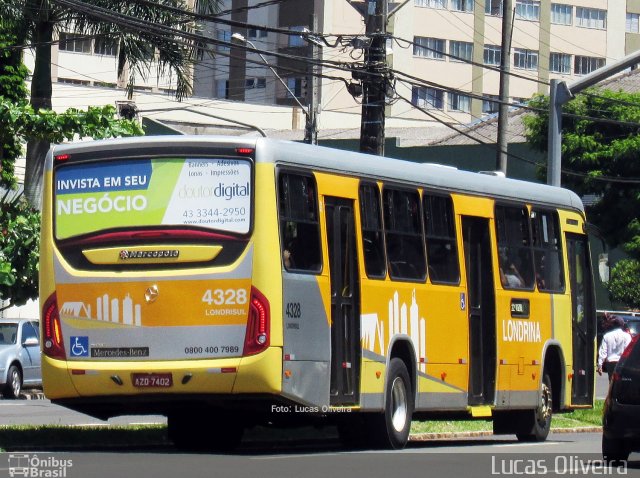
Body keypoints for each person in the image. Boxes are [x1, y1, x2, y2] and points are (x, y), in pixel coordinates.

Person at [597, 315, 632, 381]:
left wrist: (600, 365)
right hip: (623, 362)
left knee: (612, 382)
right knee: (622, 382)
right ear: (622, 324)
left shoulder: (607, 336)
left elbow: (603, 351)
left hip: (611, 363)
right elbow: (629, 350)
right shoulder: (627, 336)